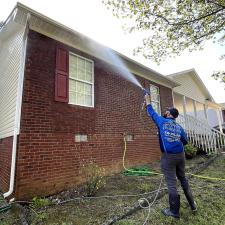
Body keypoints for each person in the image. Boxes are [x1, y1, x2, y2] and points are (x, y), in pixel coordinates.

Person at [144, 93, 196, 219]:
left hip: (169, 157)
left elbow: (151, 112)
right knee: (183, 179)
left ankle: (174, 212)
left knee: (172, 183)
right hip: (181, 155)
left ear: (168, 114)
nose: (164, 112)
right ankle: (193, 205)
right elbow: (185, 141)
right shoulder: (179, 127)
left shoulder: (162, 121)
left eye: (166, 111)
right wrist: (175, 139)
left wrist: (147, 100)